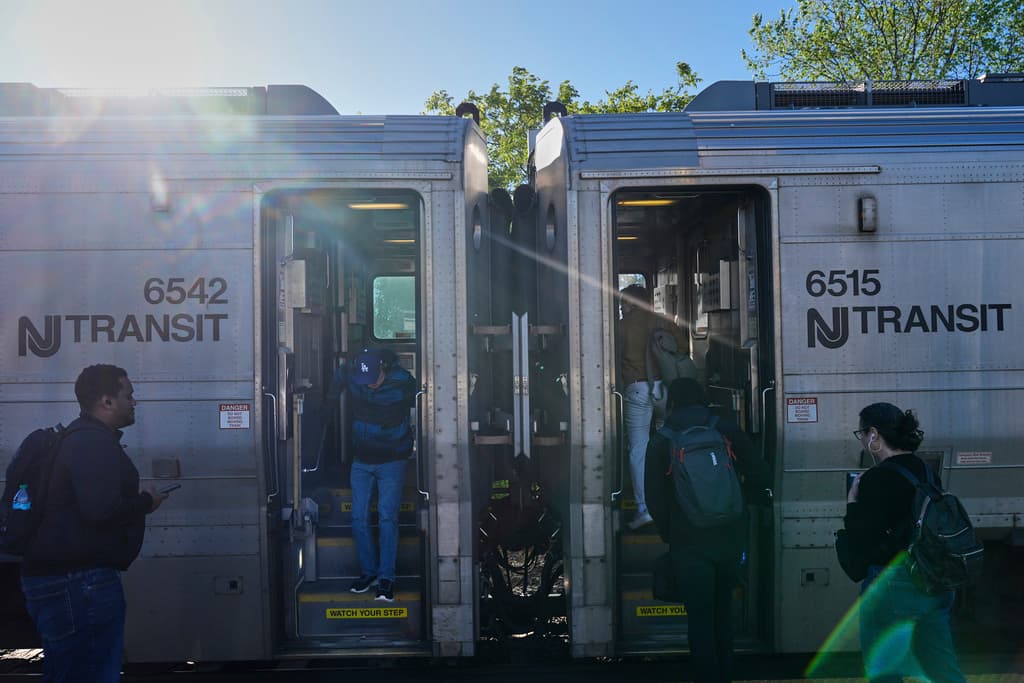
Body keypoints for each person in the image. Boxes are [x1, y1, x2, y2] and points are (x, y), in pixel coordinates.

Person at [20, 364, 167, 682]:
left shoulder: (79, 438)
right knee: (90, 672)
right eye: (128, 395)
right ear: (107, 401)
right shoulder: (91, 443)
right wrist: (146, 502)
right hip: (79, 583)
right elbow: (100, 510)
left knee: (69, 672)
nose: (134, 402)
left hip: (64, 579)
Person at [645, 378, 770, 683]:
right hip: (729, 536)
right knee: (722, 614)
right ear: (701, 397)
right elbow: (759, 473)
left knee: (699, 619)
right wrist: (739, 508)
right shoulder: (726, 429)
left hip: (688, 541)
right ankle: (725, 675)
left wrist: (670, 534)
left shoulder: (662, 439)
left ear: (672, 402)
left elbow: (654, 498)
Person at [836, 403, 966, 683]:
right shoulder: (926, 470)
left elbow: (862, 540)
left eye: (861, 434)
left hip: (892, 582)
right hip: (933, 578)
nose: (862, 440)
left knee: (884, 670)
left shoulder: (876, 478)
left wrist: (852, 503)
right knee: (942, 668)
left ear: (874, 434)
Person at [332, 348, 417, 602]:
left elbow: (424, 396)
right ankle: (368, 573)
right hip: (361, 460)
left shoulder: (402, 380)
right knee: (358, 517)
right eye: (364, 380)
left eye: (373, 379)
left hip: (393, 460)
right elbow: (339, 377)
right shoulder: (353, 373)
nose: (368, 384)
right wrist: (327, 403)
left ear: (383, 368)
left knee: (387, 518)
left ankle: (386, 578)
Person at [618, 284, 691, 530]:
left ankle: (644, 509)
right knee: (667, 443)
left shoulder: (622, 326)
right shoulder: (664, 322)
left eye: (623, 302)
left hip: (637, 389)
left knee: (639, 447)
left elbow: (612, 358)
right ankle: (673, 501)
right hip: (666, 389)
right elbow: (683, 349)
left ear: (632, 302)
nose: (622, 307)